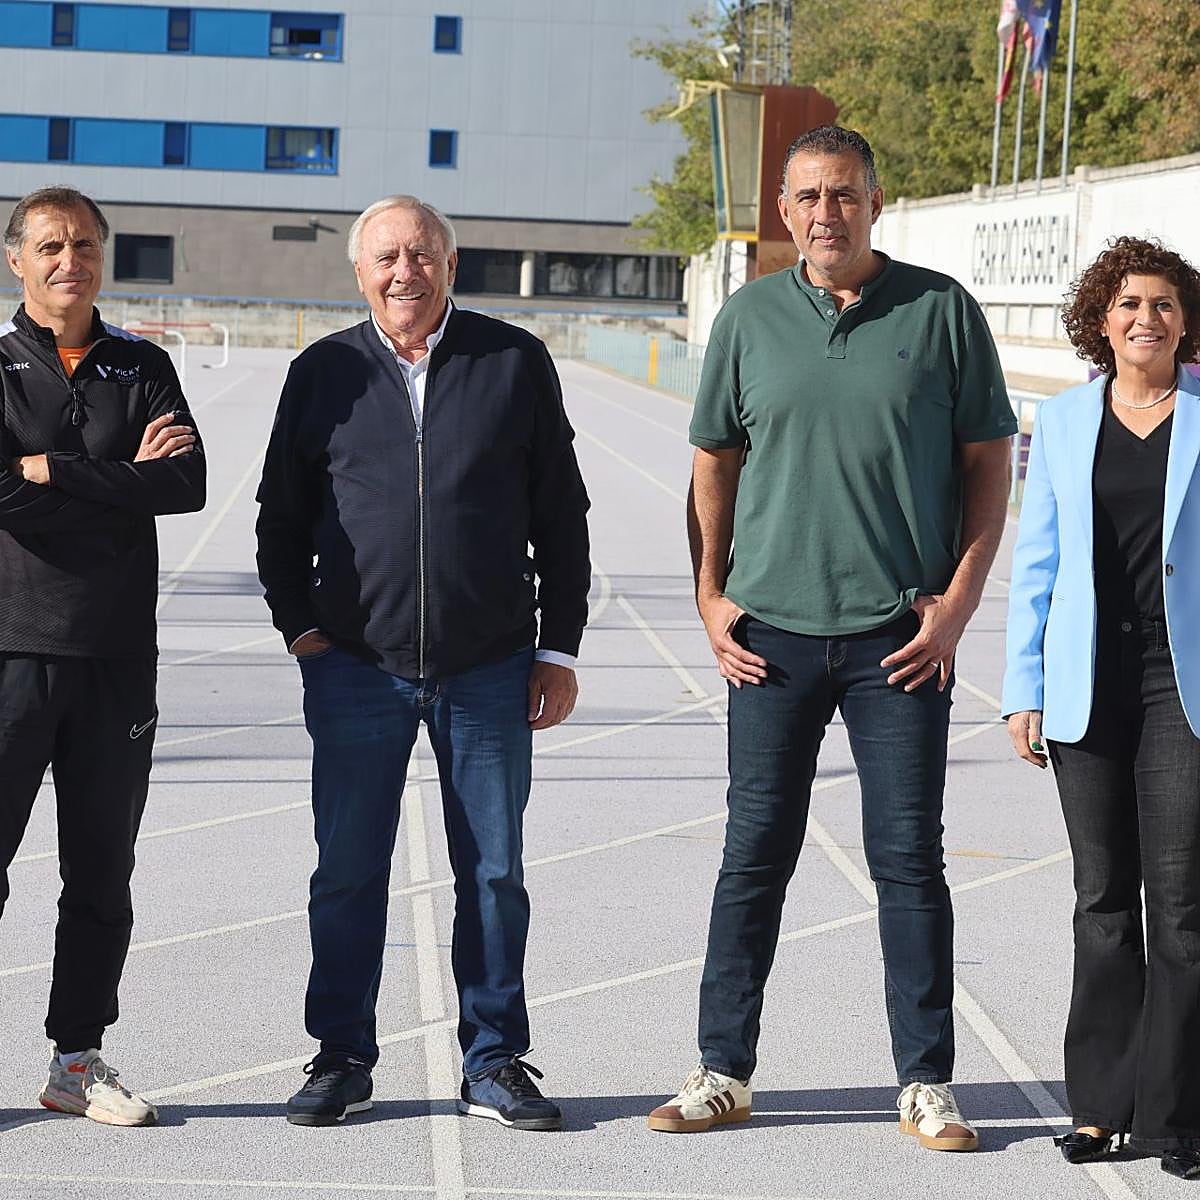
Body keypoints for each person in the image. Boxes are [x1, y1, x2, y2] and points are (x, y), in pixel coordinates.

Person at [647, 126, 1015, 1150]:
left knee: (908, 862)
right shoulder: (750, 319)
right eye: (807, 195)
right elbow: (713, 463)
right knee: (752, 855)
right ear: (783, 207)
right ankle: (723, 1071)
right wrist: (711, 594)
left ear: (875, 199)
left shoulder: (941, 311)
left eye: (843, 193)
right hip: (769, 637)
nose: (825, 212)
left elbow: (990, 467)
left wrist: (957, 605)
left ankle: (928, 1082)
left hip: (900, 637)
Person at [256, 195, 590, 1131]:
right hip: (356, 664)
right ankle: (341, 1056)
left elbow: (562, 514)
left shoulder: (513, 359)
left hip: (488, 665)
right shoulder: (321, 372)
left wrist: (557, 646)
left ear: (451, 263)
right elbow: (279, 519)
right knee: (347, 871)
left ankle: (493, 1060)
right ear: (359, 273)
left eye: (424, 254)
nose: (407, 271)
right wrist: (301, 632)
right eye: (388, 257)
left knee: (493, 872)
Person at [0, 186, 205, 1125]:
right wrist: (127, 485)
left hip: (118, 657)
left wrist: (56, 471)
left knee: (102, 872)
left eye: (84, 243)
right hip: (10, 651)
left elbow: (189, 483)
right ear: (17, 260)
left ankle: (75, 1062)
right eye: (50, 244)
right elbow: (5, 501)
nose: (68, 258)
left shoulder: (142, 364)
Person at [1002, 237, 1200, 1182]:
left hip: (1181, 686)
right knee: (1101, 903)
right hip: (1086, 684)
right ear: (1101, 318)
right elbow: (1034, 561)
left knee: (1185, 909)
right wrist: (1022, 689)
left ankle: (1177, 1118)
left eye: (1163, 305)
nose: (1145, 320)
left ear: (1185, 321)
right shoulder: (1065, 418)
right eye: (1128, 305)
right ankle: (1099, 1110)